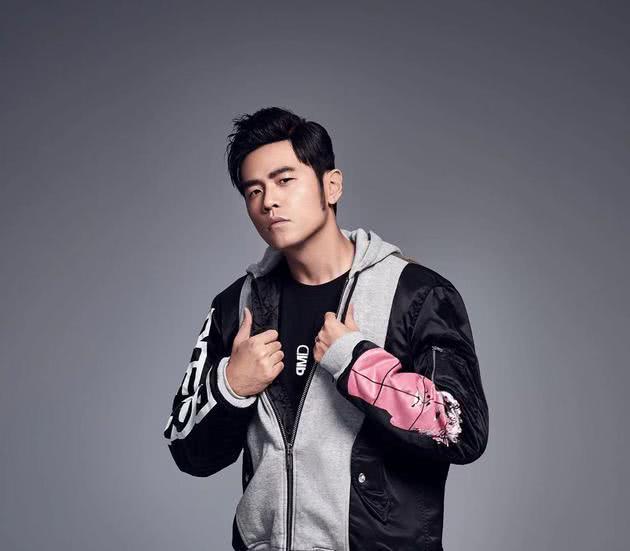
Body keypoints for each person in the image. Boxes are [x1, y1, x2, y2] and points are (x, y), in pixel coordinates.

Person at [163, 106, 489, 551]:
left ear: (331, 185)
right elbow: (188, 451)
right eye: (253, 190)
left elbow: (460, 428)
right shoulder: (236, 306)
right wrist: (231, 387)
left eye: (284, 180)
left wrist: (357, 362)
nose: (268, 201)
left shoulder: (415, 294)